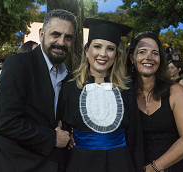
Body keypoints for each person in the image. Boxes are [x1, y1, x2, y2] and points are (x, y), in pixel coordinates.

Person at [0, 9, 76, 172]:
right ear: (41, 34)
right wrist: (53, 138)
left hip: (51, 163)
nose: (61, 42)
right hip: (16, 164)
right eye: (55, 34)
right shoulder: (18, 65)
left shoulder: (68, 76)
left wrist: (69, 133)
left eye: (67, 37)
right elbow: (6, 123)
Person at [58, 18, 144, 172]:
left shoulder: (127, 89)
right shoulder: (69, 87)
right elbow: (62, 130)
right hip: (80, 163)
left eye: (110, 49)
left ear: (116, 54)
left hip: (120, 163)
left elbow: (134, 137)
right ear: (87, 50)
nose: (103, 54)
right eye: (97, 47)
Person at [126, 33, 183, 171]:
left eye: (155, 53)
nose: (149, 57)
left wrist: (154, 168)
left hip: (174, 167)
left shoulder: (175, 91)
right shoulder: (124, 93)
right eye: (142, 52)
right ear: (131, 58)